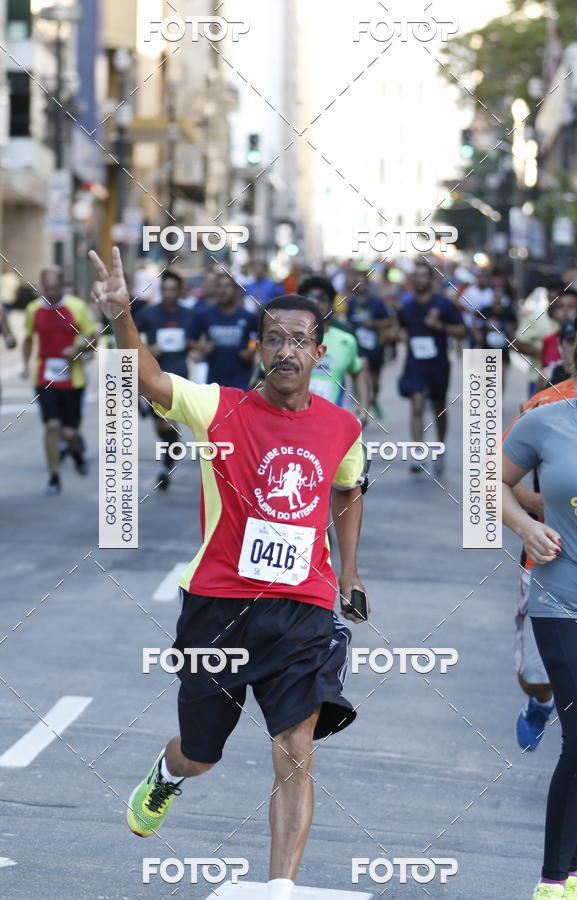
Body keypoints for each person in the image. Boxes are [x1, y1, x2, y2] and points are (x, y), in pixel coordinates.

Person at [89, 248, 368, 900]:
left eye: (300, 340)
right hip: (218, 606)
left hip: (301, 606)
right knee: (202, 752)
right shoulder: (220, 409)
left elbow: (349, 493)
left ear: (320, 353)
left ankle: (278, 889)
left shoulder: (343, 427)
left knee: (296, 748)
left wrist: (349, 575)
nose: (287, 350)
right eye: (275, 338)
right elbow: (152, 381)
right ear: (257, 347)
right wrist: (121, 316)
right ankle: (169, 771)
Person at [502, 306, 577, 900]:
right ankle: (551, 881)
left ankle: (565, 873)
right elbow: (490, 482)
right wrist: (524, 525)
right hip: (564, 599)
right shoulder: (548, 421)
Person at [22, 266, 97, 495]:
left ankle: (75, 453)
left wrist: (76, 347)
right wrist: (25, 366)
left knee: (69, 434)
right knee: (52, 426)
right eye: (48, 288)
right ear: (42, 286)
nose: (52, 292)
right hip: (44, 376)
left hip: (73, 378)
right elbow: (27, 338)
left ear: (62, 285)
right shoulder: (33, 309)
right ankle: (54, 476)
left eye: (55, 288)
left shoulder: (77, 307)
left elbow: (94, 337)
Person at [397, 261, 466, 474]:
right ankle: (418, 453)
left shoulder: (444, 305)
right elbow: (399, 329)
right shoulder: (407, 307)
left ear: (430, 279)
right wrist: (396, 335)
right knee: (417, 404)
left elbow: (462, 331)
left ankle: (440, 448)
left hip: (438, 365)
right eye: (416, 276)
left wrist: (441, 326)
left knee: (438, 407)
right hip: (415, 363)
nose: (420, 280)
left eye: (424, 276)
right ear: (412, 280)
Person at [134, 270, 198, 490]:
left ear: (180, 291)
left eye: (173, 289)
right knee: (161, 425)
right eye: (165, 289)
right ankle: (171, 448)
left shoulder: (190, 315)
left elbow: (199, 339)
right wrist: (145, 350)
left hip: (178, 375)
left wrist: (196, 348)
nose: (169, 294)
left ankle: (165, 466)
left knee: (169, 419)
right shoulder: (149, 314)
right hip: (154, 376)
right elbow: (128, 337)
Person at [298, 275, 369, 422]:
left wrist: (363, 408)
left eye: (322, 298)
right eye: (310, 297)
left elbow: (358, 370)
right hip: (291, 419)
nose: (316, 302)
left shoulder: (346, 338)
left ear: (330, 304)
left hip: (331, 420)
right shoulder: (287, 337)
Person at [191, 272, 258, 389]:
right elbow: (190, 339)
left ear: (235, 290)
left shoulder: (248, 316)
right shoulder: (205, 315)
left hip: (241, 379)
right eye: (219, 286)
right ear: (215, 290)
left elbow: (262, 337)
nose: (223, 290)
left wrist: (251, 351)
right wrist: (201, 348)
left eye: (227, 286)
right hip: (214, 380)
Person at [345, 270, 392, 418]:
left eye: (363, 282)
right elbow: (347, 323)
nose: (360, 286)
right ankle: (362, 406)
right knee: (360, 376)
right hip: (358, 347)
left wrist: (373, 323)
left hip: (375, 346)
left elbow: (388, 321)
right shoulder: (350, 303)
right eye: (357, 283)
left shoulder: (377, 303)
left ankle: (373, 398)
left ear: (367, 284)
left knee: (375, 381)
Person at [514, 281, 564, 397]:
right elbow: (516, 343)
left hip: (566, 383)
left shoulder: (571, 320)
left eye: (557, 298)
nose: (554, 302)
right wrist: (543, 353)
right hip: (537, 380)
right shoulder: (535, 318)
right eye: (550, 298)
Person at [473, 281, 517, 387]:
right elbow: (475, 322)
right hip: (487, 347)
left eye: (500, 293)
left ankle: (498, 397)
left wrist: (511, 334)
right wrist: (478, 334)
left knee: (501, 375)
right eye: (496, 293)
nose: (498, 296)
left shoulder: (508, 312)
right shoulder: (485, 310)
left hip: (502, 348)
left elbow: (514, 324)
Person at [537, 290, 577, 390]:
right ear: (554, 312)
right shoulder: (547, 340)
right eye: (561, 307)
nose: (565, 311)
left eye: (571, 306)